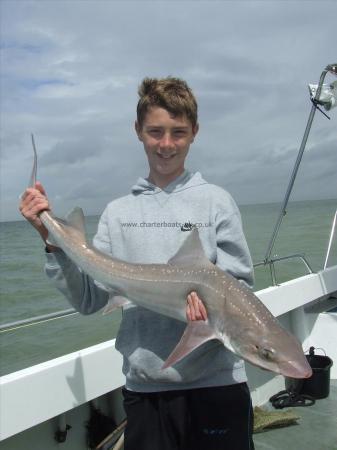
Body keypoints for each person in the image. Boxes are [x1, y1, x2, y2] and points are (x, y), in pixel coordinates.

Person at [19, 77, 255, 450]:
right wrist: (51, 241)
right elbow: (90, 301)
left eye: (178, 132)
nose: (166, 144)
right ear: (138, 132)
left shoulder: (217, 202)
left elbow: (240, 288)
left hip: (217, 384)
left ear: (194, 132)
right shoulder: (117, 213)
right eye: (155, 132)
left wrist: (210, 310)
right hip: (145, 390)